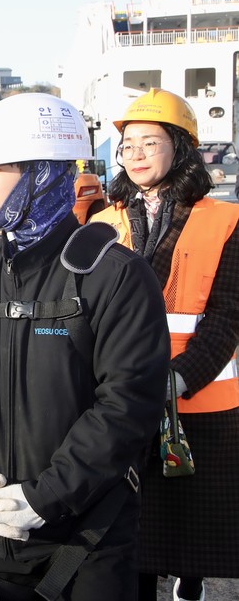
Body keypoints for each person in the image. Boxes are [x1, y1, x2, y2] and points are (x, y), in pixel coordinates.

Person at [0, 93, 170, 600]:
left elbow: (127, 405)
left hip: (87, 544)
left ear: (43, 174)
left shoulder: (115, 275)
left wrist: (44, 498)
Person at [91, 88, 239, 601]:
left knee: (187, 532)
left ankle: (189, 585)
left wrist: (177, 378)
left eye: (149, 143)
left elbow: (227, 315)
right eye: (128, 145)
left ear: (181, 147)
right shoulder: (103, 223)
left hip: (197, 403)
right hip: (121, 398)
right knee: (129, 536)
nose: (135, 154)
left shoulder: (225, 221)